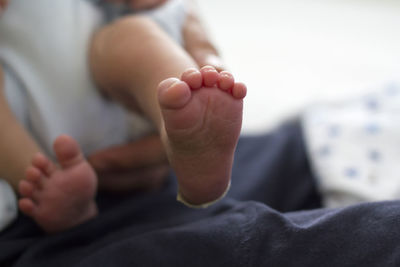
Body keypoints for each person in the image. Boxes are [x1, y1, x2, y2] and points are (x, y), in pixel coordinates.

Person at [0, 0, 246, 233]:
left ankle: (189, 125)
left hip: (109, 66)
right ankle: (49, 186)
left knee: (135, 37)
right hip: (22, 113)